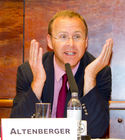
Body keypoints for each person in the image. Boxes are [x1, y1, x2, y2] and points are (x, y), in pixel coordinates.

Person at [10, 10, 113, 138]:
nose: (71, 44)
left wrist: (90, 78)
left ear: (86, 42)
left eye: (77, 36)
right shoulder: (29, 71)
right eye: (63, 36)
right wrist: (37, 82)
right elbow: (16, 129)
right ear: (50, 41)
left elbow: (97, 131)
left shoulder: (99, 72)